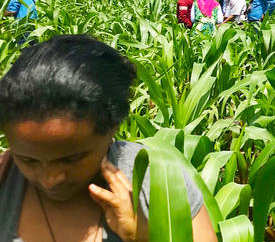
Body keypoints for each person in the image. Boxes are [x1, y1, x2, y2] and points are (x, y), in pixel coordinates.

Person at [0, 35, 218, 242]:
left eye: (72, 159)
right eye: (28, 160)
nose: (50, 179)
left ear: (113, 127)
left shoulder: (160, 182)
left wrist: (143, 236)